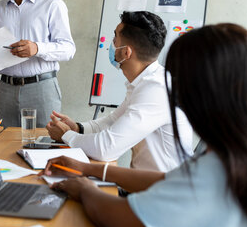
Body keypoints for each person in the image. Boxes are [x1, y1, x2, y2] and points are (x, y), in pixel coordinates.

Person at [41, 23, 247, 227]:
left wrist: (85, 188)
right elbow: (167, 180)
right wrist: (87, 168)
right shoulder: (230, 156)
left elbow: (119, 218)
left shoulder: (157, 89)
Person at [46, 11, 193, 172]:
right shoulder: (145, 82)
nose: (112, 43)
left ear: (126, 52)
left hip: (165, 193)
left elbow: (106, 149)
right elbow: (112, 121)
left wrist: (66, 135)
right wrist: (77, 128)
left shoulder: (156, 89)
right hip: (144, 186)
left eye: (115, 38)